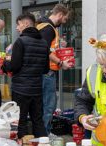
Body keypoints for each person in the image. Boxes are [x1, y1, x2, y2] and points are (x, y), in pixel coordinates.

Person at [2, 13, 49, 139]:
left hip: (20, 90)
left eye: (18, 24)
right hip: (37, 89)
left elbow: (14, 66)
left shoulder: (20, 41)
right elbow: (46, 69)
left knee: (20, 122)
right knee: (38, 122)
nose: (17, 28)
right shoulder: (44, 43)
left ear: (26, 24)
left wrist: (5, 64)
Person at [37, 4, 74, 135]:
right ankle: (45, 135)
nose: (65, 21)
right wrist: (60, 62)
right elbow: (45, 50)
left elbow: (49, 48)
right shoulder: (49, 29)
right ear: (60, 15)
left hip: (43, 72)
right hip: (46, 72)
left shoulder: (44, 26)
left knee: (46, 105)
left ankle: (43, 133)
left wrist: (59, 46)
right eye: (65, 18)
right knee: (49, 106)